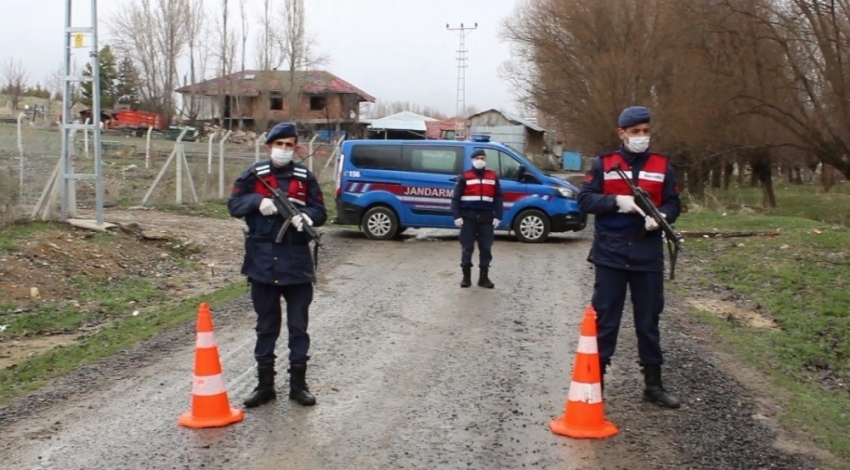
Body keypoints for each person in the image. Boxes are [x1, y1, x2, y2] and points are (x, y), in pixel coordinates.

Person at [577, 106, 682, 409]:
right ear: (621, 133)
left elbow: (675, 204)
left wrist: (663, 216)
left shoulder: (663, 166)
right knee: (606, 319)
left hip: (647, 252)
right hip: (610, 252)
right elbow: (584, 199)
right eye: (635, 132)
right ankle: (594, 383)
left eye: (646, 131)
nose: (641, 137)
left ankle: (653, 384)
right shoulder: (604, 164)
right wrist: (615, 202)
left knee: (648, 320)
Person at [227, 121, 327, 408]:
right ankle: (265, 386)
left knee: (299, 327)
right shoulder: (252, 175)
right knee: (266, 326)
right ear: (269, 145)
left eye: (289, 145)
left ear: (296, 147)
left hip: (296, 261)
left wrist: (306, 217)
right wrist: (257, 202)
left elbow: (320, 211)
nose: (284, 150)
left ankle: (298, 386)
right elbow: (233, 205)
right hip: (262, 260)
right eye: (279, 144)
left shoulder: (304, 177)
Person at [451, 149, 504, 289]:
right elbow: (455, 198)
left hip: (486, 218)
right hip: (468, 218)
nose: (480, 160)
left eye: (482, 158)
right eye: (477, 158)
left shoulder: (492, 176)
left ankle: (483, 277)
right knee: (467, 248)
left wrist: (498, 215)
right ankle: (466, 277)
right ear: (472, 160)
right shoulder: (465, 176)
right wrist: (457, 216)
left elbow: (498, 197)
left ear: (485, 160)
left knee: (486, 248)